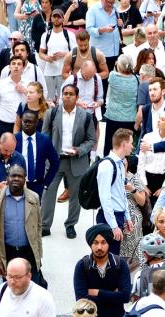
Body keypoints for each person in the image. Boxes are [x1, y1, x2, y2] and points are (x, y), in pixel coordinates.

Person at [42, 84, 97, 239]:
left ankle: (71, 225)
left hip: (76, 161)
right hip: (55, 161)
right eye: (65, 93)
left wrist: (79, 150)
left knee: (75, 197)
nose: (67, 96)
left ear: (77, 97)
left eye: (71, 94)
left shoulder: (85, 116)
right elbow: (44, 137)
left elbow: (91, 139)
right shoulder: (51, 113)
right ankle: (45, 225)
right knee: (48, 193)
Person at [0, 164, 43, 281]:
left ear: (25, 179)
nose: (16, 178)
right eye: (13, 175)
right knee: (10, 290)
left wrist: (38, 256)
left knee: (32, 291)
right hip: (7, 253)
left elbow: (38, 228)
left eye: (20, 176)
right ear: (7, 178)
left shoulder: (34, 198)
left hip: (29, 252)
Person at [74, 223, 132, 317]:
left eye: (103, 242)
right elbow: (81, 299)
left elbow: (125, 296)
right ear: (90, 244)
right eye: (95, 243)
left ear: (109, 243)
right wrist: (114, 295)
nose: (99, 247)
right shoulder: (82, 266)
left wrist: (97, 292)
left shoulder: (120, 264)